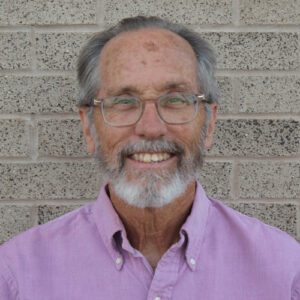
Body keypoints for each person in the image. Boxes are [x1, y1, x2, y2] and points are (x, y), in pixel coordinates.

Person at [0, 16, 299, 300]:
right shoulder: (17, 275)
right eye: (123, 102)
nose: (151, 128)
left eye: (176, 100)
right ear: (88, 128)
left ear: (209, 124)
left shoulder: (285, 273)